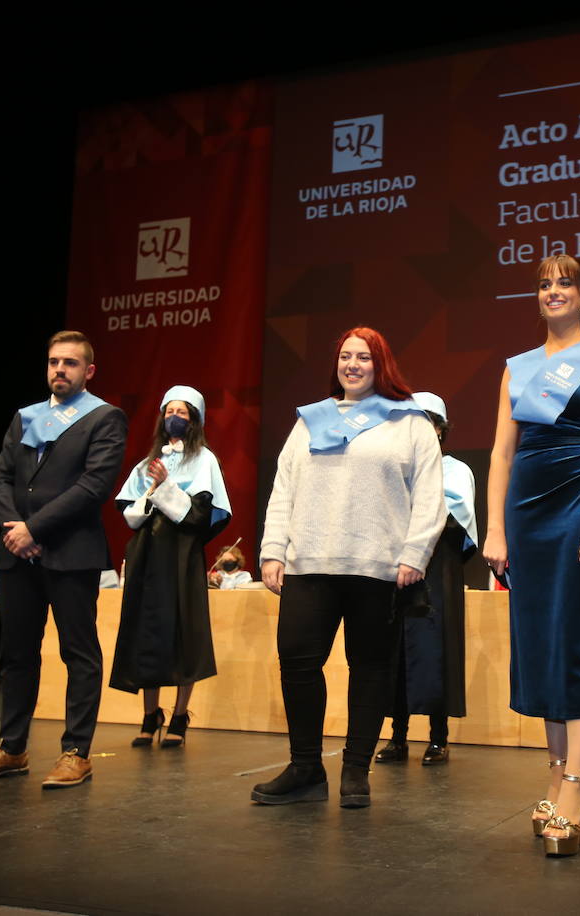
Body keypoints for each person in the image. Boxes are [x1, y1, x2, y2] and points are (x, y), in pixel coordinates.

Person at [253, 327, 444, 809]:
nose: (353, 364)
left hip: (377, 568)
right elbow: (284, 490)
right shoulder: (309, 421)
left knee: (371, 669)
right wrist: (273, 548)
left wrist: (414, 554)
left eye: (363, 356)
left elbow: (429, 497)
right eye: (345, 356)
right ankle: (305, 768)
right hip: (309, 563)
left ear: (382, 363)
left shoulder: (410, 422)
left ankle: (356, 770)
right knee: (298, 665)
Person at [484, 254, 580, 857]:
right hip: (528, 518)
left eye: (564, 283)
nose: (553, 292)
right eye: (544, 284)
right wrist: (495, 530)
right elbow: (500, 454)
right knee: (540, 643)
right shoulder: (517, 369)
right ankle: (554, 772)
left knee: (576, 640)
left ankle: (576, 782)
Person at [0, 330, 127, 788]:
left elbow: (93, 486)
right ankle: (11, 749)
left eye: (69, 363)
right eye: (53, 362)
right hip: (17, 555)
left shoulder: (104, 418)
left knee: (78, 653)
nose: (59, 370)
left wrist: (36, 528)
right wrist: (15, 530)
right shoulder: (26, 417)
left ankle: (76, 752)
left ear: (88, 371)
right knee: (17, 655)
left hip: (71, 553)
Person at [113, 385, 232, 748]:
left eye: (182, 412)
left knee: (184, 632)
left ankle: (180, 715)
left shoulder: (204, 461)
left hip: (181, 556)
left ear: (194, 419)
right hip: (147, 554)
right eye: (169, 412)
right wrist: (153, 493)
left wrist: (165, 490)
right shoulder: (148, 462)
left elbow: (200, 515)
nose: (174, 418)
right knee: (147, 631)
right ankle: (151, 715)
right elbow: (129, 509)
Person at [376, 391, 477, 767]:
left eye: (427, 423)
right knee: (395, 653)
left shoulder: (455, 470)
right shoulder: (392, 469)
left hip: (437, 572)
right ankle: (397, 737)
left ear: (439, 430)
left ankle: (439, 738)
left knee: (436, 652)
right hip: (396, 570)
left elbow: (454, 524)